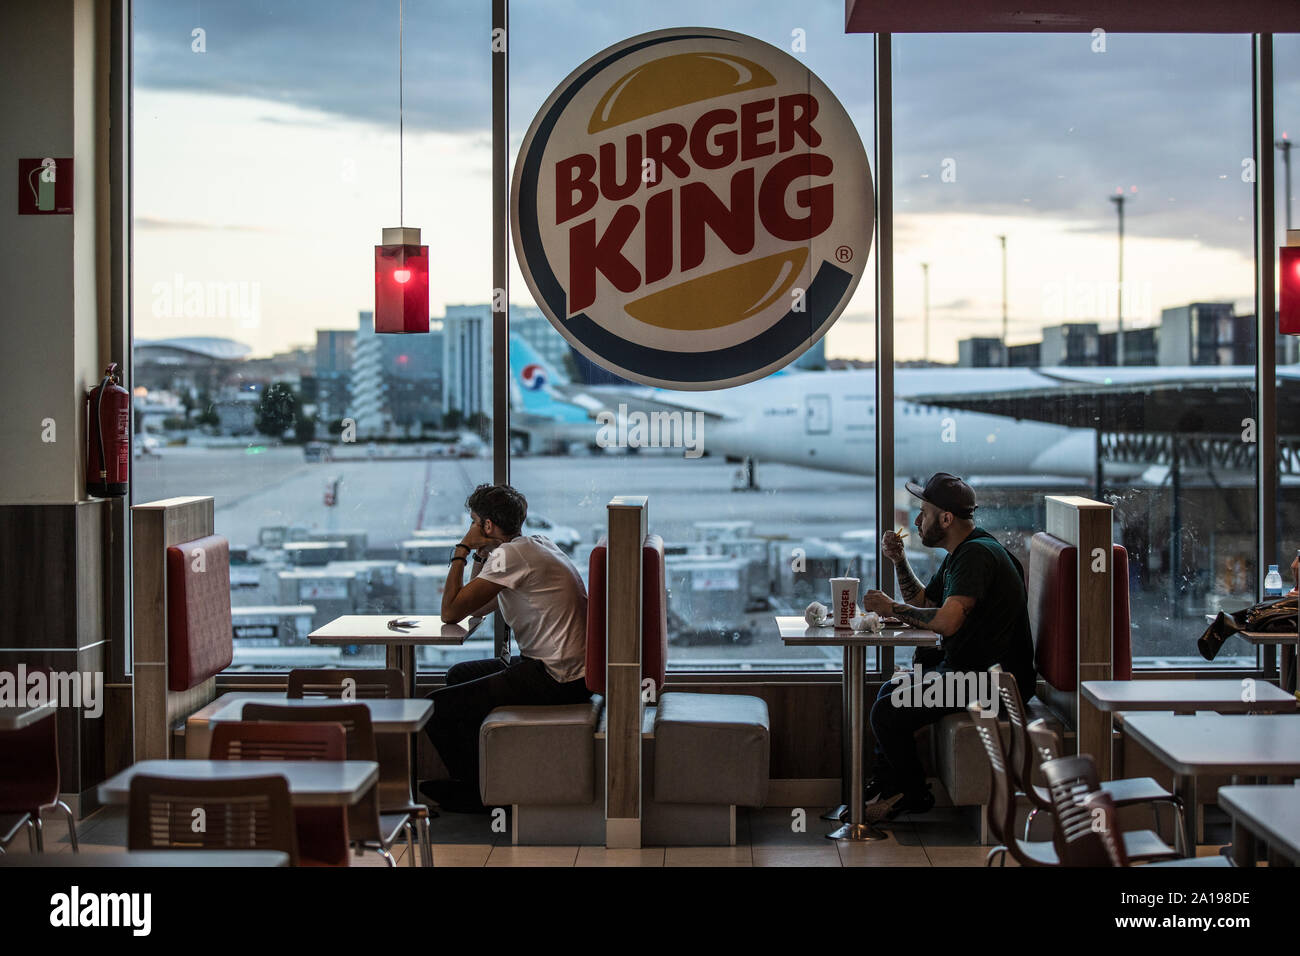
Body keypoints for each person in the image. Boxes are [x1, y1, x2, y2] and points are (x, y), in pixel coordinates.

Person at [859, 472, 1036, 821]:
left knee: (887, 711)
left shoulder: (975, 556)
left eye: (923, 513)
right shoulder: (963, 553)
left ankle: (912, 793)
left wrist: (890, 607)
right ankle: (888, 784)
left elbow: (947, 621)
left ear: (946, 518)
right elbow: (926, 601)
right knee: (891, 691)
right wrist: (898, 561)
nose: (916, 521)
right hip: (972, 674)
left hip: (993, 685)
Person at [421, 483, 591, 812]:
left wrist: (461, 550)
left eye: (473, 522)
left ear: (486, 525)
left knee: (436, 707)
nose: (470, 529)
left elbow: (451, 612)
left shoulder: (511, 556)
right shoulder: (534, 545)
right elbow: (479, 605)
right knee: (459, 674)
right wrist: (481, 556)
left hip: (557, 678)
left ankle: (478, 793)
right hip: (564, 671)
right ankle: (483, 776)